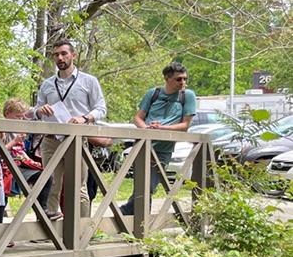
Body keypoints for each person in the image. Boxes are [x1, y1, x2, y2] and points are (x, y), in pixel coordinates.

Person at [30, 39, 107, 219]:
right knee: (50, 184)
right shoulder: (47, 84)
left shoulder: (89, 81)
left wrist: (84, 118)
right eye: (56, 55)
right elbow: (34, 111)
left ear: (73, 55)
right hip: (51, 140)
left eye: (64, 53)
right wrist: (39, 110)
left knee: (78, 185)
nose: (60, 58)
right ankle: (49, 231)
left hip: (76, 139)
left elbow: (101, 108)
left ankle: (80, 230)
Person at [120, 62, 196, 215]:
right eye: (179, 79)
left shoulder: (187, 95)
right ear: (167, 78)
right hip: (143, 146)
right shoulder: (153, 93)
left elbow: (185, 125)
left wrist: (161, 128)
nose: (183, 83)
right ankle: (137, 225)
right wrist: (147, 130)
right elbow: (138, 118)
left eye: (185, 79)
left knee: (148, 187)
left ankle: (125, 215)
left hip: (162, 150)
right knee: (141, 187)